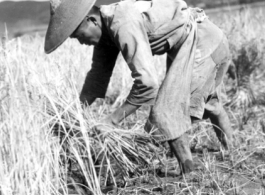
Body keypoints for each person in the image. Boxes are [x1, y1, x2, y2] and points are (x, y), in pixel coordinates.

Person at [45, 0, 233, 174]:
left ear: (91, 20)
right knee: (209, 102)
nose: (81, 42)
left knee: (165, 112)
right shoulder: (106, 31)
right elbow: (97, 77)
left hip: (203, 41)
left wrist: (112, 120)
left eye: (79, 36)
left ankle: (189, 171)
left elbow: (147, 83)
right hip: (201, 39)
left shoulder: (122, 23)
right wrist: (74, 112)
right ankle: (232, 150)